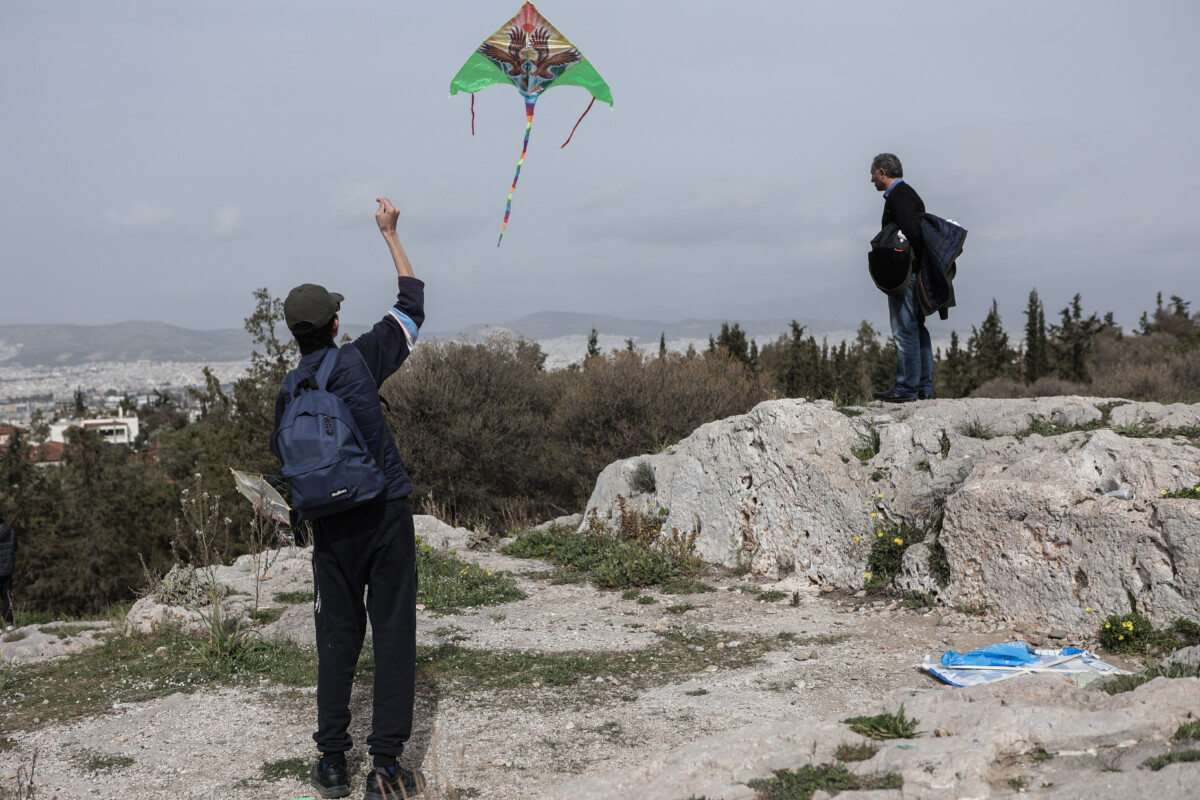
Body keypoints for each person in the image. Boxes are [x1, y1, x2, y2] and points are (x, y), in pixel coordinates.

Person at [270, 197, 425, 800]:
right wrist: (390, 235)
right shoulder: (360, 360)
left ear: (295, 333)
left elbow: (287, 469)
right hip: (383, 512)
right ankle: (385, 767)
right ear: (335, 324)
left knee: (337, 640)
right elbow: (411, 304)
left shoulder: (290, 388)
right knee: (391, 635)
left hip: (329, 528)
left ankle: (332, 763)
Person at [870, 153, 932, 402]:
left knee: (904, 330)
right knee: (917, 328)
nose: (871, 178)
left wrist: (906, 263)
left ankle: (906, 388)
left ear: (883, 172)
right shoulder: (906, 194)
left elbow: (913, 233)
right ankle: (923, 387)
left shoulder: (900, 195)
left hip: (905, 275)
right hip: (913, 272)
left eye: (873, 173)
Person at [0, 515, 16, 631]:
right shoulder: (10, 530)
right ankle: (9, 623)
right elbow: (15, 547)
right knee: (7, 596)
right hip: (7, 570)